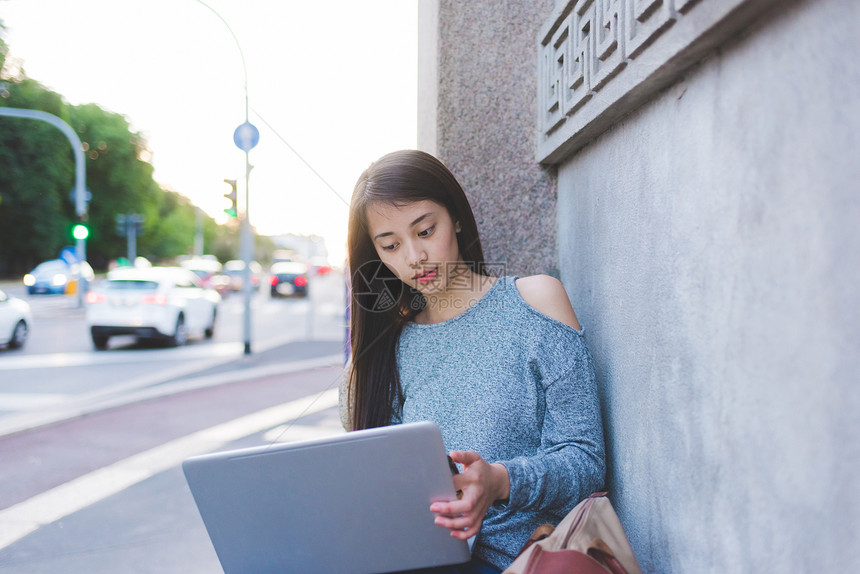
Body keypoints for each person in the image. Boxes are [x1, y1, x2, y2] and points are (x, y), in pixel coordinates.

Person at [341, 150, 606, 573]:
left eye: (425, 230)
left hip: (522, 558)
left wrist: (499, 481)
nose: (414, 257)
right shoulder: (394, 349)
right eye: (390, 245)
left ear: (457, 218)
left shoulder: (534, 302)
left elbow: (586, 460)